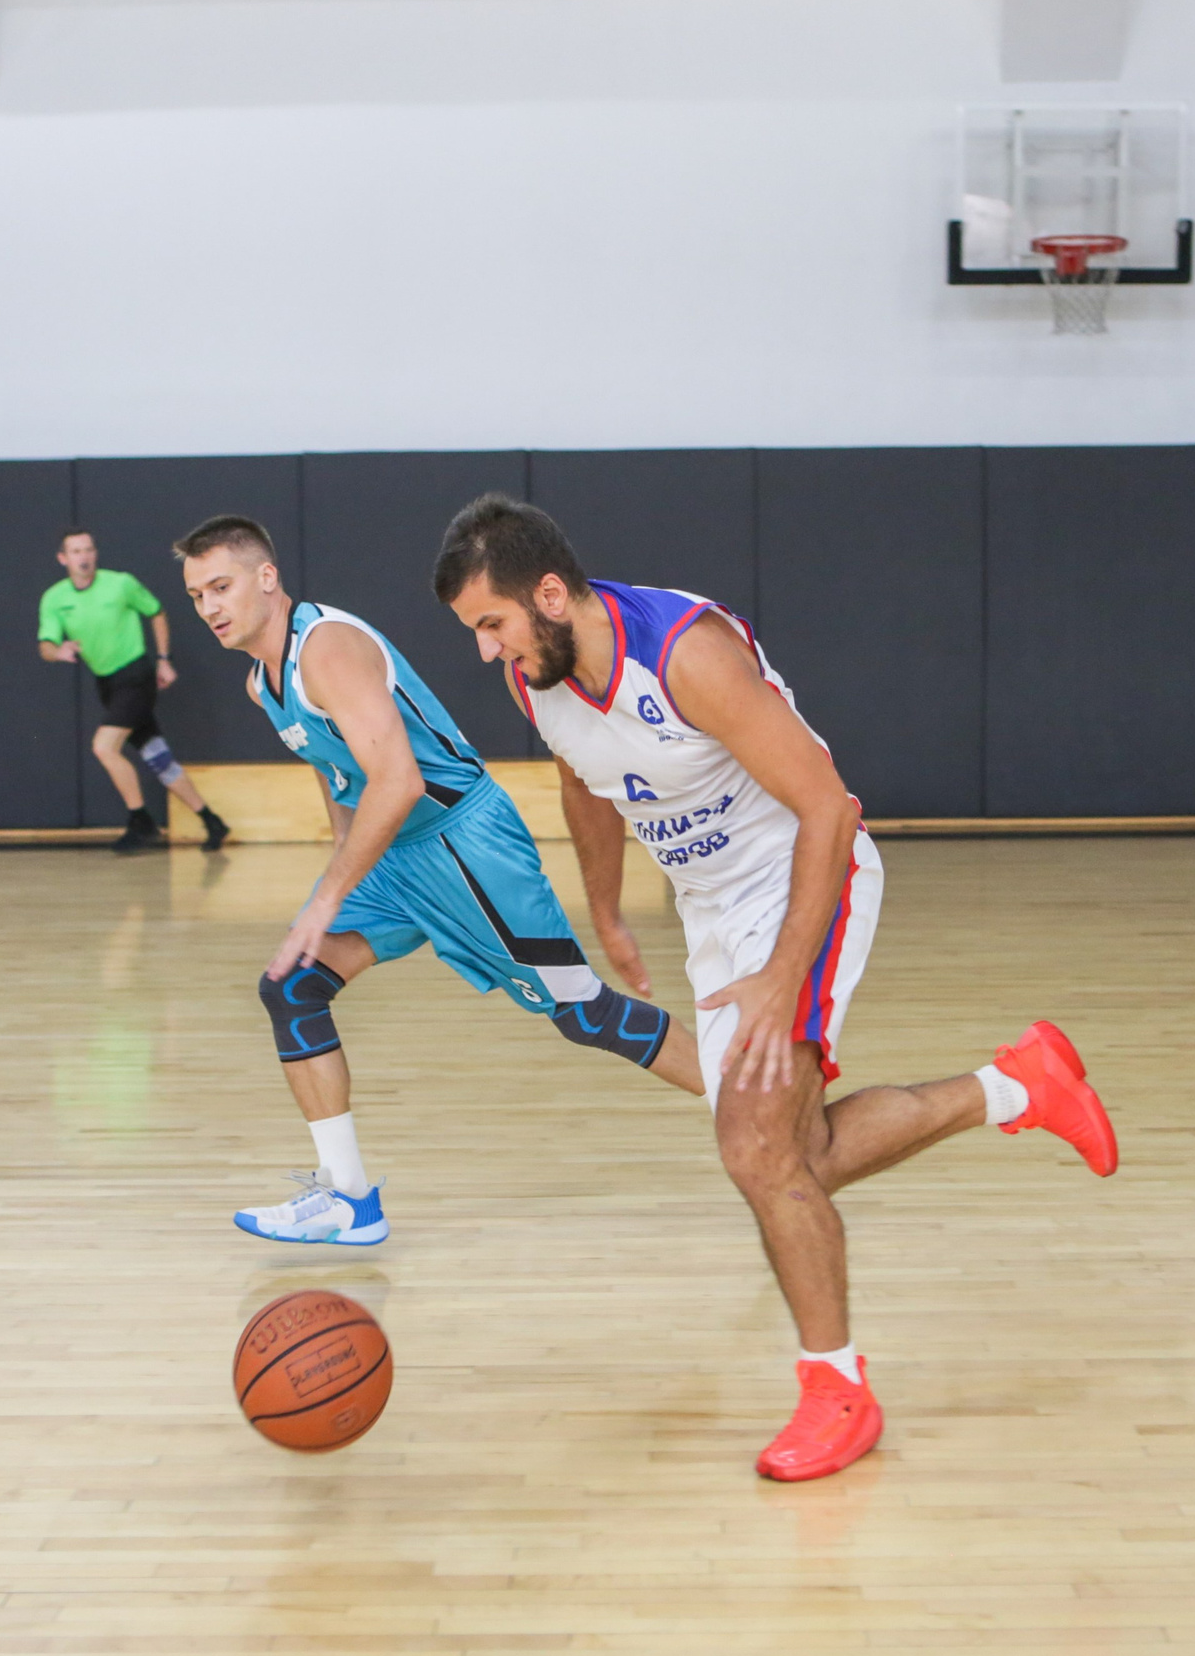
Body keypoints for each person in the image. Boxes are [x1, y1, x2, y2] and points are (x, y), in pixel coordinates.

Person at [434, 493, 1118, 1484]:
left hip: (805, 872)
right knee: (793, 1157)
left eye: (490, 625)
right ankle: (1018, 1085)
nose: (487, 652)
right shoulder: (536, 677)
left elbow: (827, 808)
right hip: (711, 908)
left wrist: (778, 976)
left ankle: (837, 1390)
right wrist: (610, 910)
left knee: (754, 1148)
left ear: (548, 594)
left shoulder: (684, 654)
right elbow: (584, 778)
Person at [172, 513, 705, 1251]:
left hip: (462, 843)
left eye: (221, 585)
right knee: (292, 984)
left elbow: (397, 779)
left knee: (586, 1014)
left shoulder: (326, 649)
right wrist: (343, 868)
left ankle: (756, 1105)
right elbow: (342, 775)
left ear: (267, 577)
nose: (210, 606)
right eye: (198, 594)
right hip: (394, 855)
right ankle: (349, 1198)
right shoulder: (264, 683)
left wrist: (327, 893)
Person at [37, 528, 228, 854]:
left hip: (136, 676)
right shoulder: (55, 598)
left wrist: (164, 660)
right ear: (63, 558)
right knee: (159, 760)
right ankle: (211, 821)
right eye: (75, 551)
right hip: (107, 684)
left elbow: (156, 612)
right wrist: (59, 651)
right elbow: (45, 645)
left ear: (95, 553)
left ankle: (140, 820)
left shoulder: (121, 583)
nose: (83, 557)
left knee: (104, 747)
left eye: (88, 549)